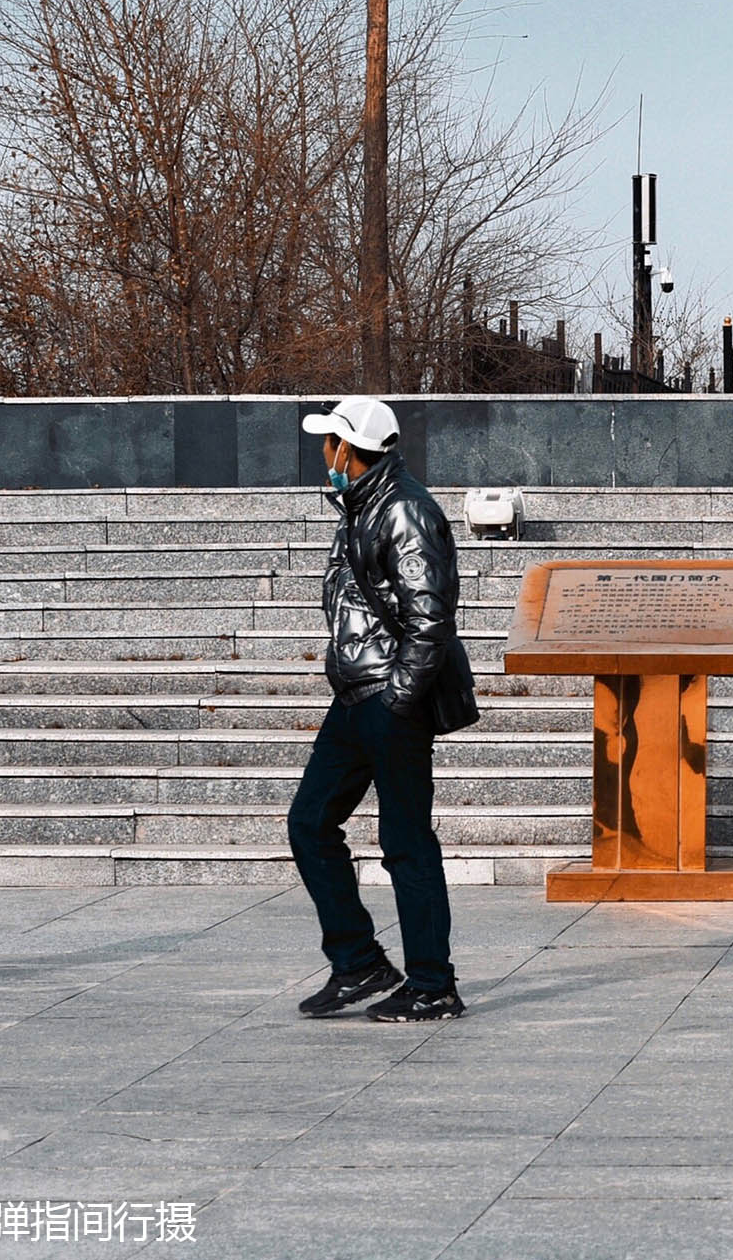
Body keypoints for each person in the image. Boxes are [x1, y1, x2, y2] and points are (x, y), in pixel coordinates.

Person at [288, 396, 481, 1022]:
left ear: (348, 448)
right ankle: (358, 963)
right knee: (310, 824)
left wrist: (398, 701)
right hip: (355, 694)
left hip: (390, 698)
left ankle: (432, 985)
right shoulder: (360, 505)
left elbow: (431, 619)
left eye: (328, 442)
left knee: (405, 843)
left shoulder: (404, 509)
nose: (323, 452)